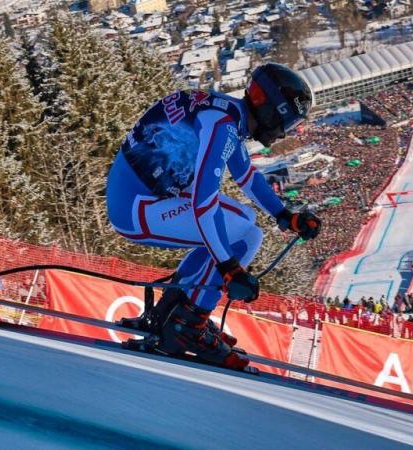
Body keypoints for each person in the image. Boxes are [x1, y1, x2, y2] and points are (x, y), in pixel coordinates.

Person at [106, 63, 320, 369]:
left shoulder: (226, 112)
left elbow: (245, 175)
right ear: (275, 111)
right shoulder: (223, 126)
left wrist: (285, 215)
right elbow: (203, 203)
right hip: (138, 209)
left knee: (244, 229)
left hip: (141, 199)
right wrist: (230, 268)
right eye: (289, 121)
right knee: (245, 234)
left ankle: (170, 313)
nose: (285, 131)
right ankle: (186, 325)